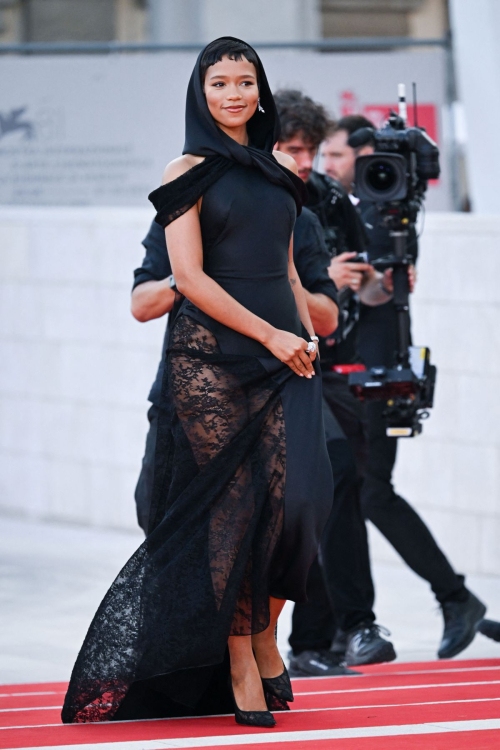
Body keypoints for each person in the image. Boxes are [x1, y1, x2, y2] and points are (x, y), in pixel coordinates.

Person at [62, 37, 334, 728]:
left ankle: (268, 628)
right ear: (200, 93)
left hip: (287, 354)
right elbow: (188, 280)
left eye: (246, 82)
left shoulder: (281, 174)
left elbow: (292, 271)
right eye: (220, 83)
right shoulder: (185, 170)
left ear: (261, 91)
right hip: (211, 363)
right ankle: (242, 653)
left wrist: (301, 333)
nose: (235, 94)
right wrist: (270, 334)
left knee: (303, 501)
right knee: (231, 517)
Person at [322, 115, 487, 659]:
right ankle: (445, 599)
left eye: (338, 156)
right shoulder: (344, 212)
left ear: (369, 157)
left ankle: (446, 599)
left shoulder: (379, 210)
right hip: (356, 373)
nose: (328, 166)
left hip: (376, 373)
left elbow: (386, 282)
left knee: (369, 493)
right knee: (361, 494)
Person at [273, 90, 399, 674]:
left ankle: (322, 639)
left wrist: (377, 280)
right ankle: (342, 627)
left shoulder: (327, 196)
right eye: (292, 149)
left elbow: (370, 292)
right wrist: (321, 282)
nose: (304, 161)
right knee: (330, 476)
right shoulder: (248, 198)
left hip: (333, 363)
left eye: (312, 150)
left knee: (337, 484)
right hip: (270, 363)